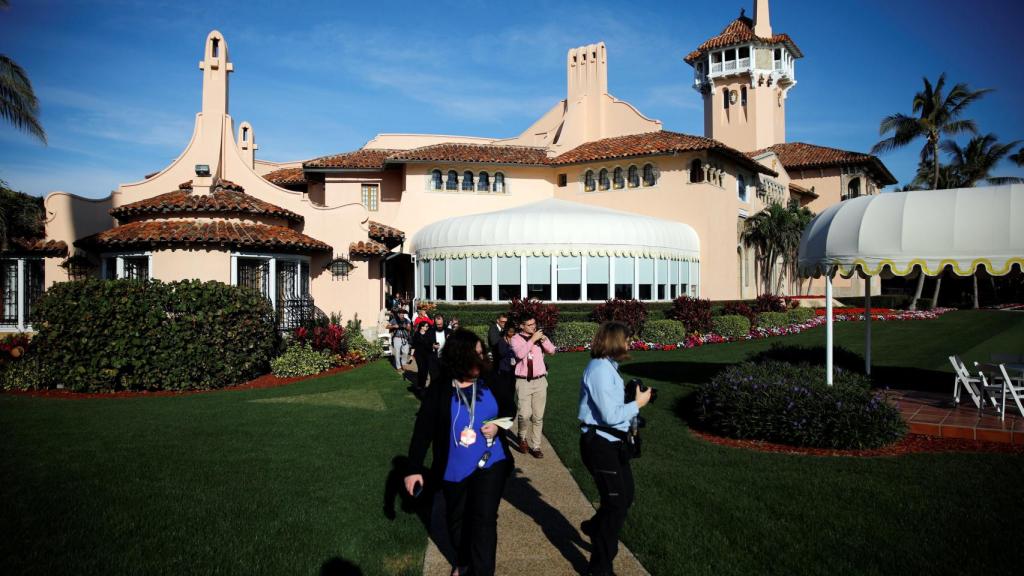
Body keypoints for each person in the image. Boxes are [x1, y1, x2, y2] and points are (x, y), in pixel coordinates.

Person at [404, 329, 515, 576]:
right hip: (454, 468)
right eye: (475, 355)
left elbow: (510, 409)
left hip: (491, 461)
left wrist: (498, 425)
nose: (481, 359)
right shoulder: (440, 389)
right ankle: (463, 560)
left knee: (484, 520)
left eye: (482, 353)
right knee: (457, 520)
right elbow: (423, 431)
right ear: (459, 358)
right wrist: (413, 469)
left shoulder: (490, 380)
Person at [578, 321, 651, 576]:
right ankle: (600, 568)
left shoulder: (609, 366)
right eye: (627, 340)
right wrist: (638, 403)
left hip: (612, 443)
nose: (630, 344)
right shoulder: (599, 369)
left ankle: (595, 527)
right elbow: (609, 415)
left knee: (625, 496)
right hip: (599, 444)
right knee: (616, 505)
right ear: (616, 341)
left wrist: (630, 399)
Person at [509, 312, 556, 458]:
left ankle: (536, 446)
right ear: (521, 326)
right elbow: (519, 354)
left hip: (540, 381)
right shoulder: (516, 339)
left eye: (534, 324)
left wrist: (543, 340)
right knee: (524, 414)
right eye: (529, 325)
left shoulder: (540, 337)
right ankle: (522, 436)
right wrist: (532, 340)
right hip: (523, 381)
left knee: (538, 416)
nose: (533, 327)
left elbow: (552, 351)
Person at [411, 321, 434, 393]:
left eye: (428, 326)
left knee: (426, 370)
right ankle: (420, 385)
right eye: (426, 326)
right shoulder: (416, 334)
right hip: (419, 354)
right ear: (421, 327)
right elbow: (413, 345)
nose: (427, 327)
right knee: (421, 369)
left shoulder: (429, 334)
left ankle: (422, 386)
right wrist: (411, 355)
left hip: (428, 354)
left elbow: (432, 344)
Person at [389, 308, 412, 373]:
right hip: (397, 337)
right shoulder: (394, 320)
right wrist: (394, 326)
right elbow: (387, 326)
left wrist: (406, 327)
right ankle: (398, 367)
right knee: (397, 353)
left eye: (403, 314)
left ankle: (403, 364)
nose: (402, 315)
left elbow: (410, 329)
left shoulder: (406, 320)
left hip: (405, 337)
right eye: (401, 314)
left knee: (406, 352)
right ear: (398, 314)